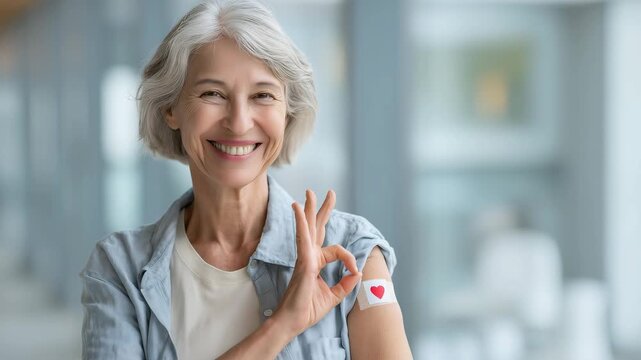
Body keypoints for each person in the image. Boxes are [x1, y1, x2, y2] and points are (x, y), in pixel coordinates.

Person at [80, 1, 413, 359]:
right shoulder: (119, 271)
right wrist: (283, 324)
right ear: (171, 108)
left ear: (287, 113)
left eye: (262, 96)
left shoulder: (353, 255)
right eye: (213, 94)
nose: (238, 122)